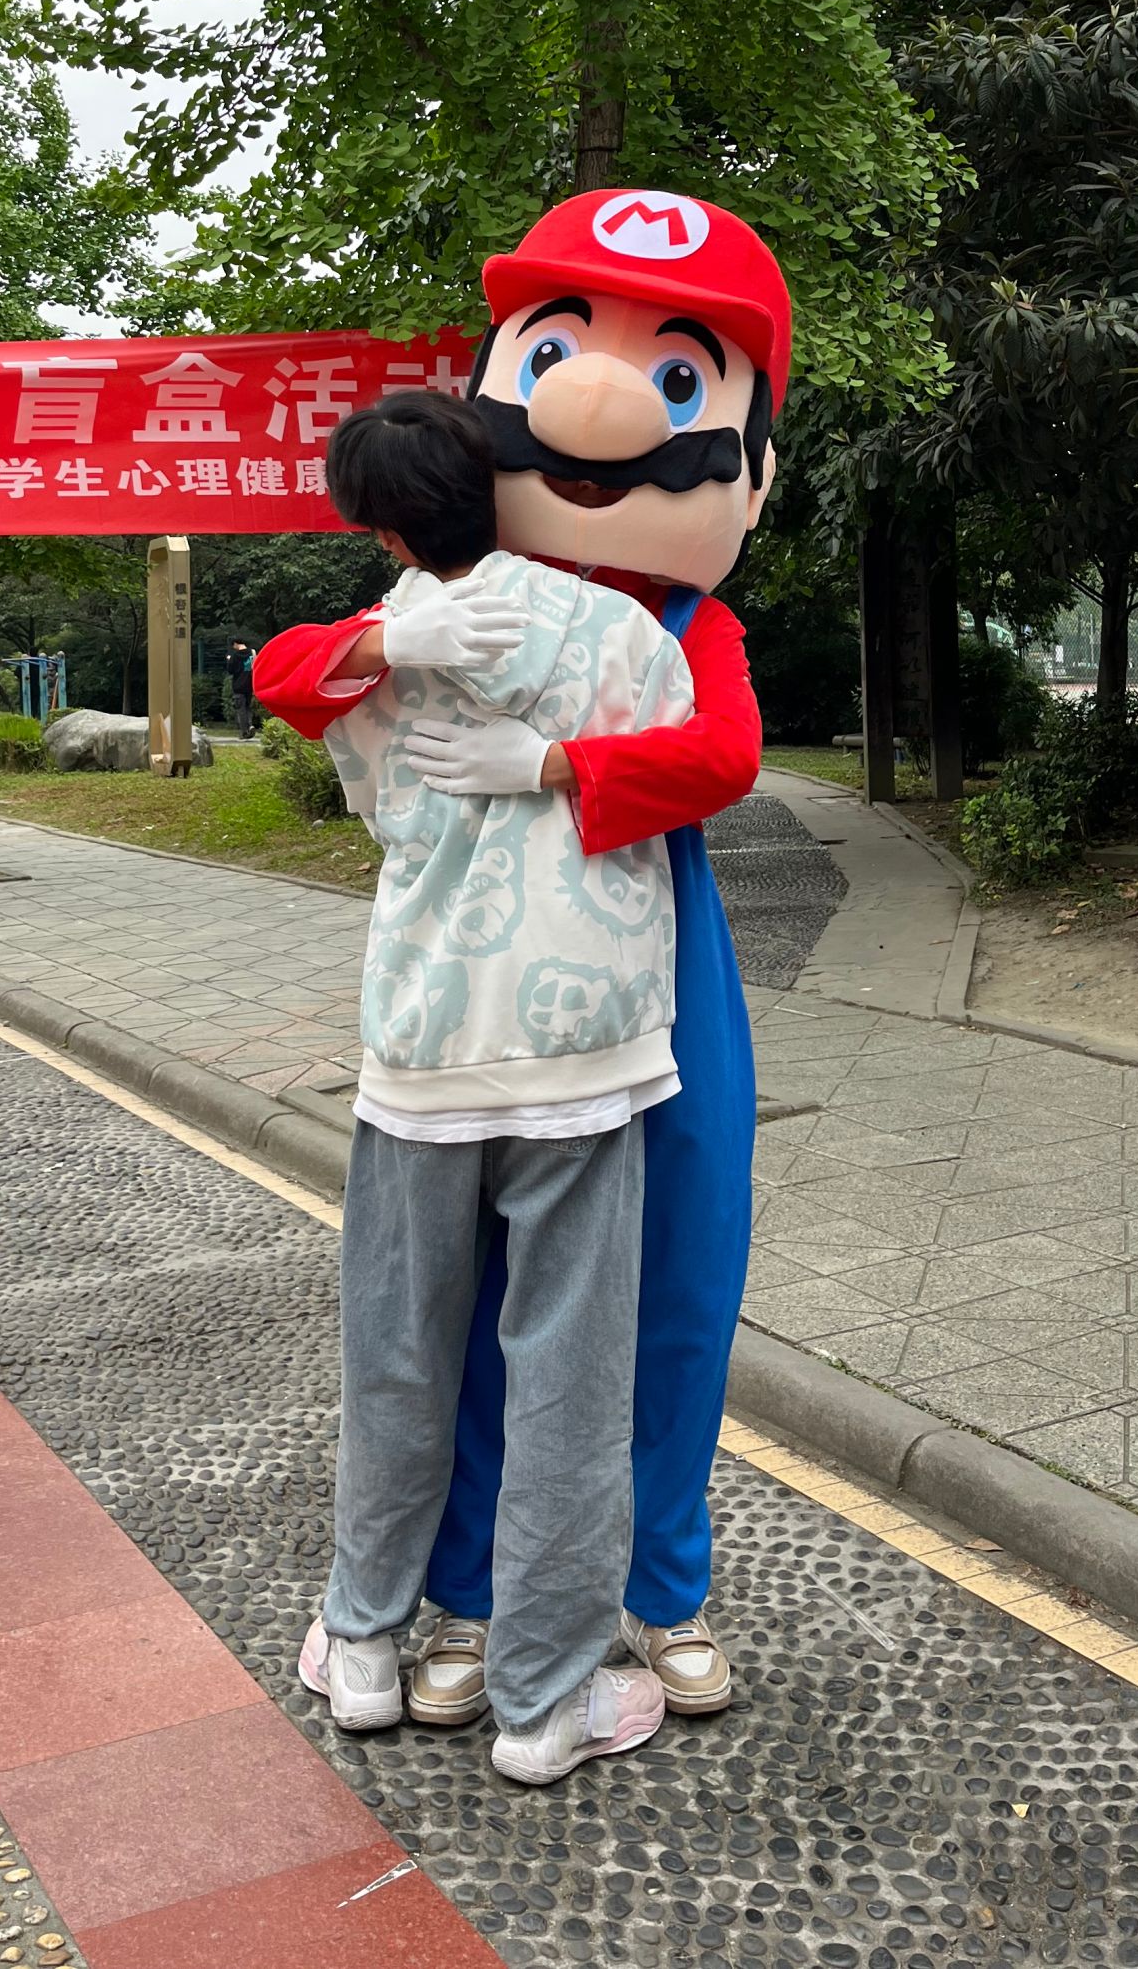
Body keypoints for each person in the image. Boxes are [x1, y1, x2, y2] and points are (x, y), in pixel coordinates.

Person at [257, 189, 788, 1725]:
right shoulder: (441, 600)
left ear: (753, 460)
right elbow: (290, 671)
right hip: (501, 1003)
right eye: (553, 353)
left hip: (656, 957)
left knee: (672, 1282)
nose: (599, 404)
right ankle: (480, 1595)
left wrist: (555, 766)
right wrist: (387, 642)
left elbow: (724, 757)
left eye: (677, 379)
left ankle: (663, 1586)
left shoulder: (684, 621)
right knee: (488, 1308)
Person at [290, 388, 691, 1785]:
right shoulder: (620, 632)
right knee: (568, 1374)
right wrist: (559, 766)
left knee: (397, 1354)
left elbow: (349, 772)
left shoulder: (379, 650)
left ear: (388, 529)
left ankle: (362, 1644)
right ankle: (543, 1701)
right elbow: (694, 769)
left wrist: (386, 644)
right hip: (586, 1046)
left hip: (425, 1047)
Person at [224, 638, 255, 738]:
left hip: (238, 686)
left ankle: (244, 732)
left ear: (236, 644)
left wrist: (229, 660)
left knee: (241, 709)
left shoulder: (235, 656)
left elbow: (230, 670)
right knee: (248, 707)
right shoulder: (252, 653)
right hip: (250, 685)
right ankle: (250, 725)